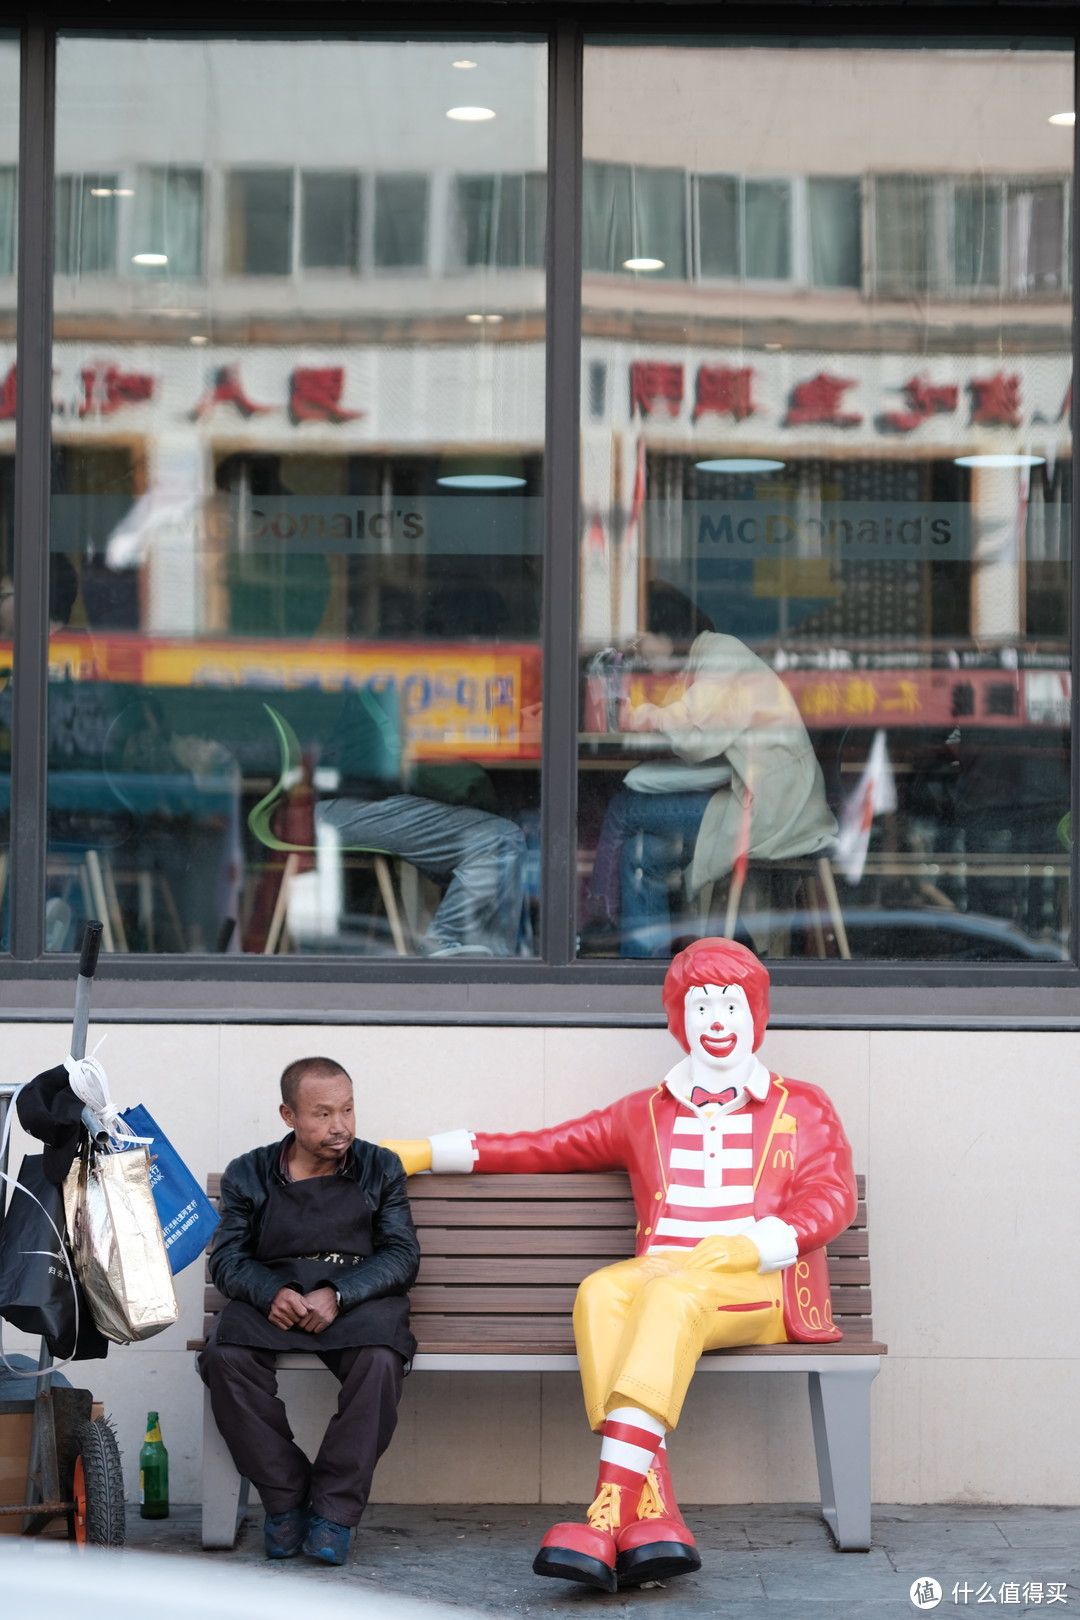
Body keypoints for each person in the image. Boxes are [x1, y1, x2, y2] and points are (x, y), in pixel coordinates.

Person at [382, 937, 856, 1592]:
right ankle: (654, 1512)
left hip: (759, 1284)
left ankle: (606, 1511)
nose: (716, 1023)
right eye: (700, 1007)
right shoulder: (645, 1111)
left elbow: (831, 1197)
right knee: (603, 1292)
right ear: (677, 1019)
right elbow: (543, 1147)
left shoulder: (801, 1104)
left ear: (756, 1013)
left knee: (669, 1301)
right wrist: (427, 1151)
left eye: (730, 1006)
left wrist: (755, 1243)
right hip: (665, 1270)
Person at [198, 1056, 419, 1566]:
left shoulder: (379, 1167)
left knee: (381, 1363)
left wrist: (339, 1294)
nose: (339, 1126)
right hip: (276, 1297)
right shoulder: (248, 1172)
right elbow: (228, 1259)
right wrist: (269, 1291)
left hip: (355, 1299)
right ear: (288, 1115)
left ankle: (333, 1512)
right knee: (224, 1359)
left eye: (347, 1110)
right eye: (321, 1114)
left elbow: (402, 1255)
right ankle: (287, 1497)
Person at [588, 622, 838, 956]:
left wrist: (640, 715)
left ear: (671, 630)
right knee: (642, 852)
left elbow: (695, 735)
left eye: (642, 638)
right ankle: (644, 966)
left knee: (625, 807)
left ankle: (601, 915)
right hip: (760, 795)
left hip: (772, 808)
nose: (638, 650)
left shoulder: (722, 654)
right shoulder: (705, 661)